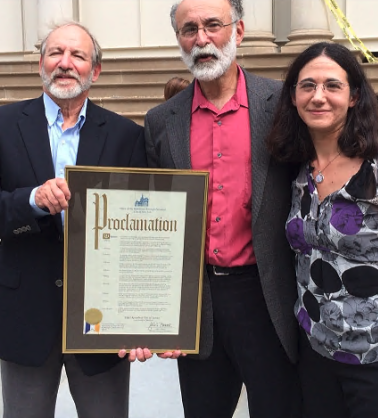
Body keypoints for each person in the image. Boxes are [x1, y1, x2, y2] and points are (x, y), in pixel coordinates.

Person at [121, 0, 301, 417]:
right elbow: (151, 223)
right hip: (195, 299)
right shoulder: (161, 121)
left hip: (266, 292)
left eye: (213, 25)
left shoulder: (281, 105)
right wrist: (144, 313)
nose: (201, 39)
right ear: (179, 39)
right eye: (189, 29)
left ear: (237, 32)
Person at [0, 22, 146, 418]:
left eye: (78, 56)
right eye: (56, 53)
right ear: (41, 64)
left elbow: (141, 230)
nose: (66, 63)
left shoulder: (125, 136)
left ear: (94, 70)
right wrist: (30, 199)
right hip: (24, 312)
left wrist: (142, 319)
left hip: (103, 321)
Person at [267, 41, 378, 418]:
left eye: (332, 85)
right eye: (307, 86)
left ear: (353, 96)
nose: (318, 97)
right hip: (315, 356)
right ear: (293, 97)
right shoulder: (297, 169)